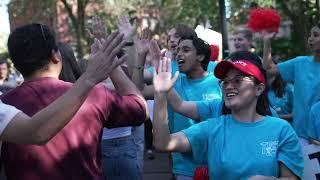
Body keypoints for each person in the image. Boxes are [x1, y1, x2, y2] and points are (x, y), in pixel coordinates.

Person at [1, 23, 147, 180]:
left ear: (16, 65)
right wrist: (111, 64)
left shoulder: (5, 104)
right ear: (55, 56)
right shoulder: (96, 95)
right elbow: (140, 109)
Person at [152, 51, 303, 179]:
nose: (229, 86)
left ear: (259, 89)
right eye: (225, 82)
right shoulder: (212, 128)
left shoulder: (281, 129)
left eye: (238, 80)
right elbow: (163, 143)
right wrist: (160, 94)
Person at [263, 23, 320, 145]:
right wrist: (267, 41)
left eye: (316, 35)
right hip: (302, 138)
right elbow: (267, 71)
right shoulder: (300, 63)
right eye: (310, 35)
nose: (310, 38)